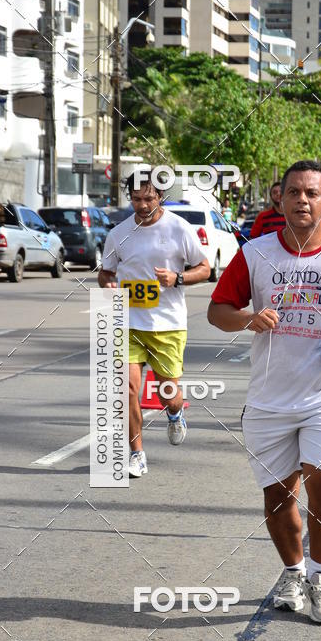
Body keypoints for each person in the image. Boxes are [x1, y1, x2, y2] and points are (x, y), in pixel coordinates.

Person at [207, 160, 321, 624]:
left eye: (312, 193)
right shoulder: (255, 253)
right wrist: (249, 318)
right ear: (281, 199)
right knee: (277, 496)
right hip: (270, 396)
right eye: (294, 192)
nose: (302, 200)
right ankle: (293, 571)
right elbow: (218, 311)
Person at [98, 172, 210, 477]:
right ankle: (137, 454)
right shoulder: (118, 233)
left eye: (149, 198)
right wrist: (108, 286)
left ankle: (175, 413)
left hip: (167, 324)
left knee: (167, 392)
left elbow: (205, 268)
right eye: (136, 199)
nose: (143, 205)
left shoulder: (178, 228)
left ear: (160, 195)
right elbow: (106, 272)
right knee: (126, 388)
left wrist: (178, 278)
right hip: (128, 322)